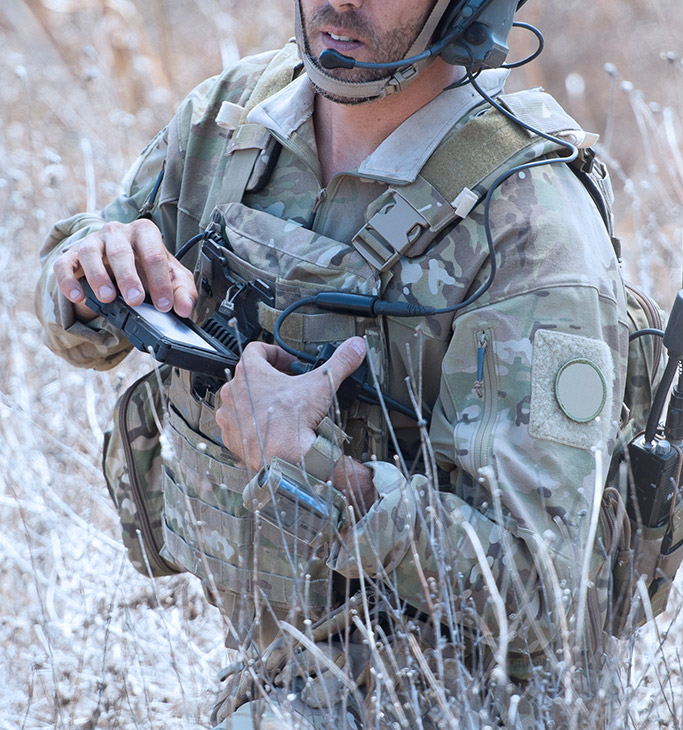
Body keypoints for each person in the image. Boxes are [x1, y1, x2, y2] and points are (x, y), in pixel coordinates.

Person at [33, 0, 632, 726]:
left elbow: (543, 596)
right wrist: (91, 270)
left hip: (453, 693)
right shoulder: (231, 121)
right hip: (274, 665)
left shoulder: (535, 229)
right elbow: (77, 321)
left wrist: (316, 473)